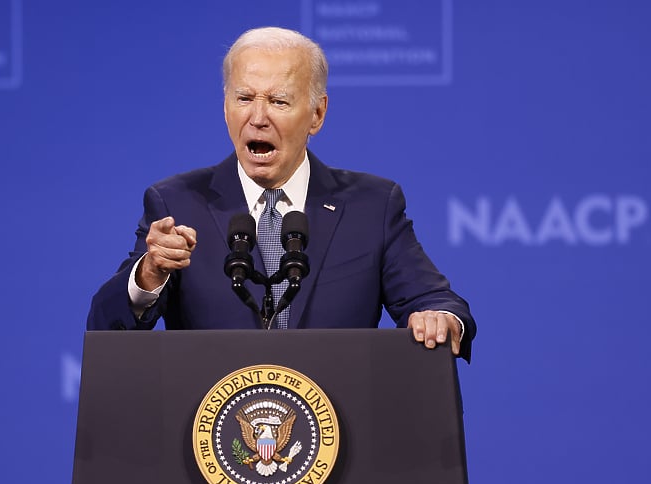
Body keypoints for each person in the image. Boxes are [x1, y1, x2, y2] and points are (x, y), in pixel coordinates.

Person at [87, 27, 476, 359]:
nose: (258, 117)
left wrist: (439, 318)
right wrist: (150, 274)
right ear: (225, 108)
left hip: (337, 433)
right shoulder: (177, 202)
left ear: (317, 115)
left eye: (278, 101)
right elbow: (109, 328)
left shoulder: (371, 206)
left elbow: (436, 301)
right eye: (244, 99)